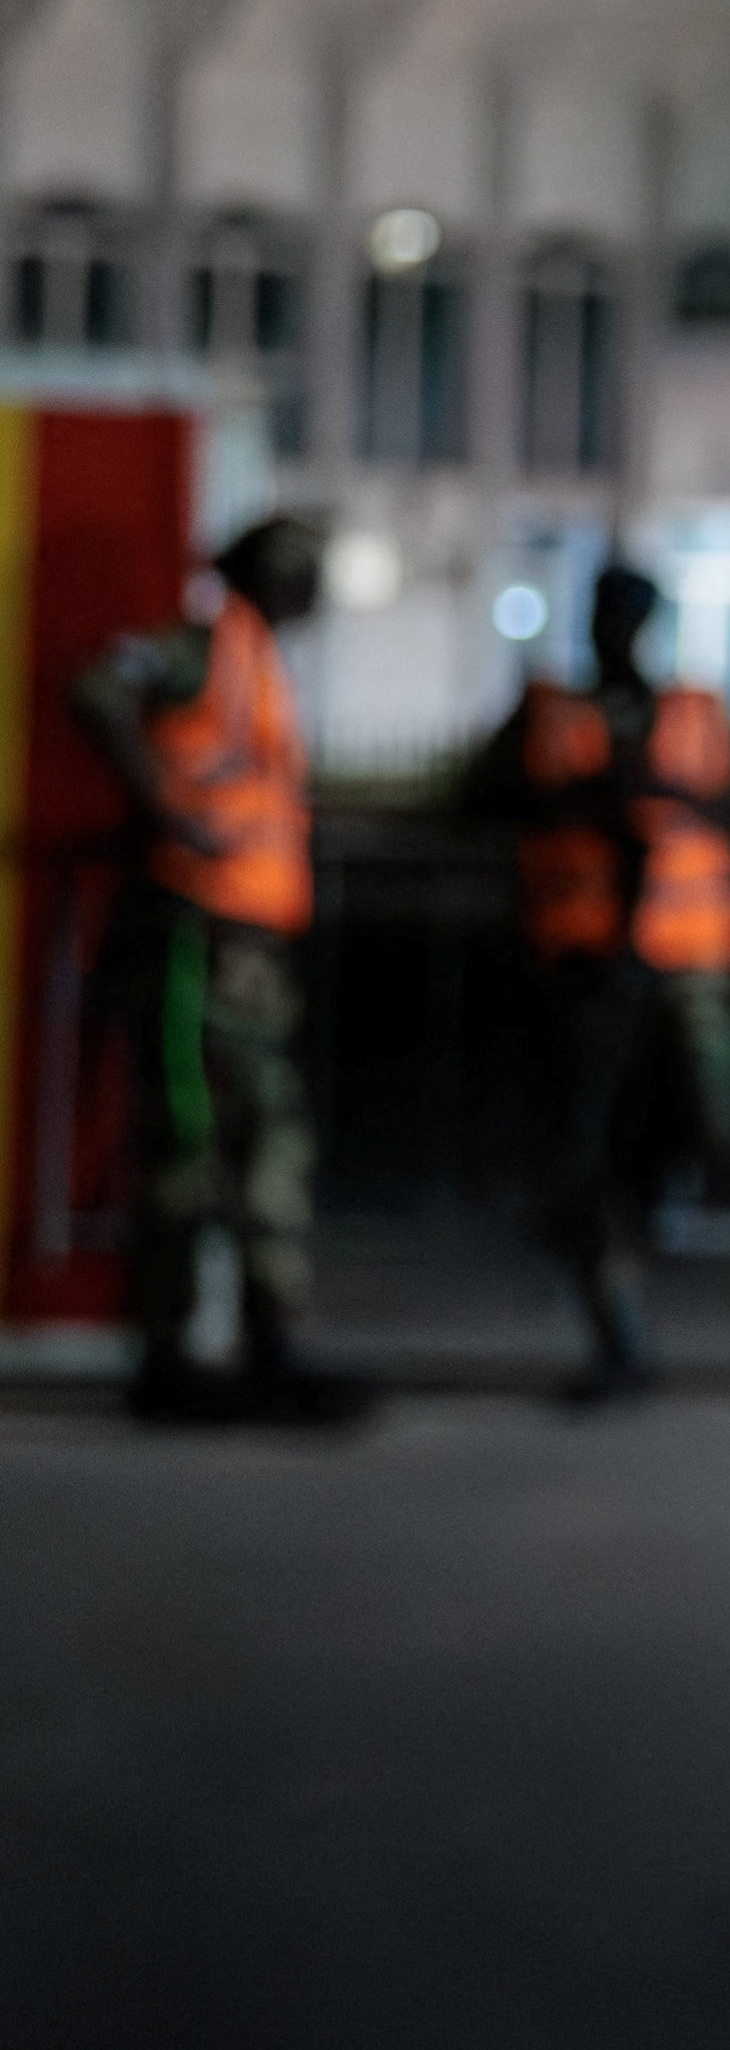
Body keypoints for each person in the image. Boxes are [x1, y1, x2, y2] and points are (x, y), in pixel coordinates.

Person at [72, 513, 368, 1426]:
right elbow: (95, 688)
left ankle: (264, 1345)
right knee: (192, 1144)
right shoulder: (201, 647)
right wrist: (168, 813)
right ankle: (168, 1358)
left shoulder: (253, 660)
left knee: (261, 1140)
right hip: (196, 931)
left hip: (243, 941)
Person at [460, 562, 730, 1404]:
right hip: (582, 976)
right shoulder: (550, 716)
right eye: (603, 613)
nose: (613, 629)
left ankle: (653, 1213)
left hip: (683, 973)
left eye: (627, 614)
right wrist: (582, 801)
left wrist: (666, 798)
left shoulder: (693, 715)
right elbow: (478, 802)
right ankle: (616, 1325)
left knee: (702, 1122)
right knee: (583, 1156)